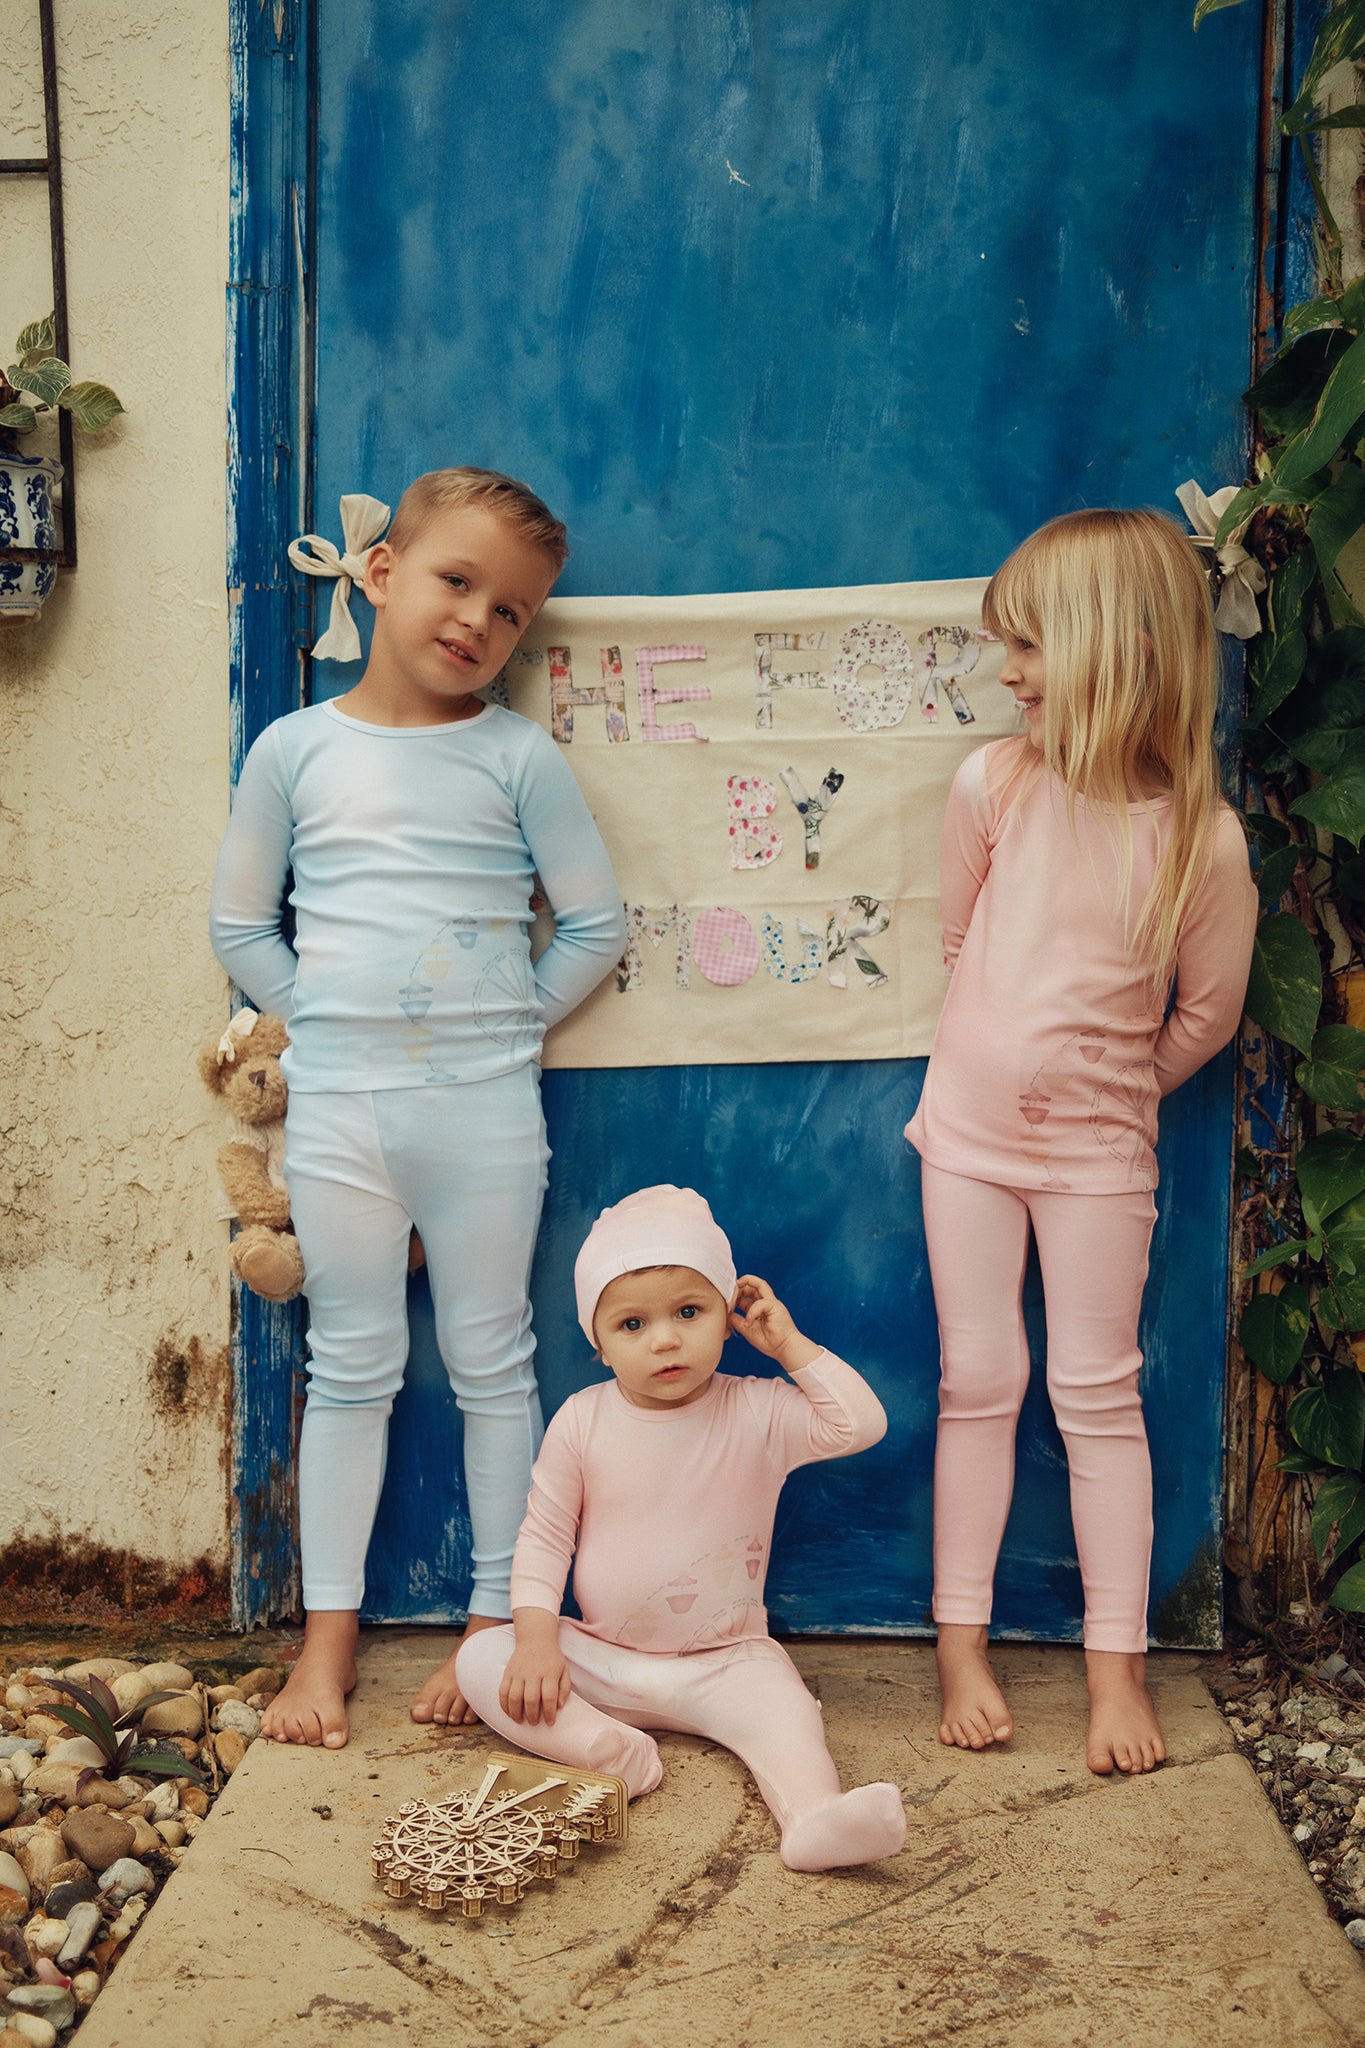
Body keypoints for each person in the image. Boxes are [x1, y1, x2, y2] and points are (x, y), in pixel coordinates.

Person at [209, 467, 627, 1747]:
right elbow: (240, 921)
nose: (478, 623)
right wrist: (326, 1020)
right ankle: (326, 1649)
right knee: (352, 1371)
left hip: (486, 1116)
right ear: (382, 572)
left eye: (510, 614)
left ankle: (494, 1631)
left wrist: (505, 1024)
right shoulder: (294, 749)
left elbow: (596, 925)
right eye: (458, 582)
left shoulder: (516, 754)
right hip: (339, 1113)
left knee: (494, 1366)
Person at [904, 508, 1257, 1777]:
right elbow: (961, 950)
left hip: (1103, 1160)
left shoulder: (1203, 841)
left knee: (1096, 1398)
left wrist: (1115, 1088)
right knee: (976, 1381)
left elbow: (1206, 1015)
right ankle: (961, 1644)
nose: (1008, 671)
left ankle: (1120, 1670)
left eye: (1031, 644)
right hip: (968, 1143)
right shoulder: (993, 782)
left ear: (1119, 647)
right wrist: (996, 1076)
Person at [455, 1184, 908, 1872]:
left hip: (726, 1662)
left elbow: (859, 1424)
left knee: (787, 1716)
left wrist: (787, 1346)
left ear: (727, 1319)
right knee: (482, 1659)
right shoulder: (582, 1419)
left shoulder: (758, 1411)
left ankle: (814, 1816)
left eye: (689, 1312)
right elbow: (546, 1538)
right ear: (599, 1344)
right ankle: (610, 1754)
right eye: (631, 1325)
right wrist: (540, 1644)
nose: (664, 1339)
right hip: (603, 1658)